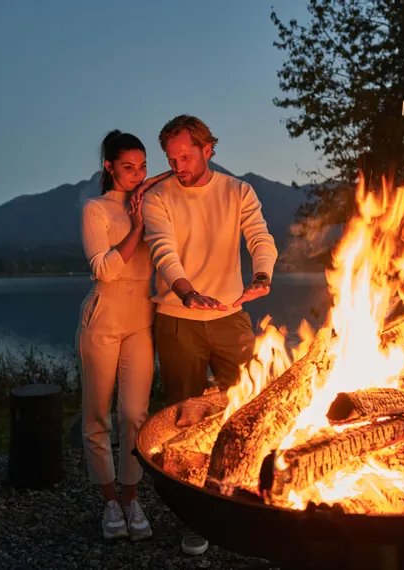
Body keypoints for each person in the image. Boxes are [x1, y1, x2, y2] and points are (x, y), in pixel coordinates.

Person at [141, 114, 278, 555]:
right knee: (183, 418)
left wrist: (261, 274)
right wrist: (186, 290)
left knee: (249, 407)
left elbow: (260, 236)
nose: (178, 165)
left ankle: (255, 501)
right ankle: (195, 516)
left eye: (185, 155)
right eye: (171, 157)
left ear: (208, 149)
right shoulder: (158, 196)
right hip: (178, 318)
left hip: (230, 317)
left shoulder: (237, 191)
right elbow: (162, 248)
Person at [76, 129, 171, 542]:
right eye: (128, 167)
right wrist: (135, 227)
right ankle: (110, 500)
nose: (137, 174)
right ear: (109, 167)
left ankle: (132, 498)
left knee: (134, 415)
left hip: (140, 321)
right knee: (97, 415)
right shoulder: (96, 210)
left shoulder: (152, 205)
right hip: (102, 319)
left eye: (143, 167)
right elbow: (105, 270)